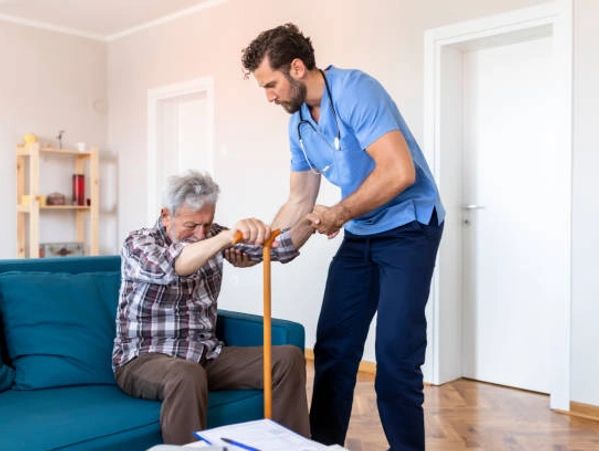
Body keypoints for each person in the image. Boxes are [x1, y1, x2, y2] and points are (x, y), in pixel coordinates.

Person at [242, 24, 445, 451]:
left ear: (297, 67)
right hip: (362, 230)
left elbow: (398, 171)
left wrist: (340, 212)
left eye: (272, 84)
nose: (269, 96)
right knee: (334, 345)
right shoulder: (298, 122)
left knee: (395, 354)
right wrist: (266, 247)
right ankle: (324, 446)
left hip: (409, 227)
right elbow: (300, 199)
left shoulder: (355, 90)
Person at [112, 170, 313, 445]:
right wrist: (223, 238)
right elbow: (175, 267)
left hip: (205, 354)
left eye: (207, 224)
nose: (200, 234)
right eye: (191, 225)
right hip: (143, 359)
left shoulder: (214, 235)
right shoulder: (139, 243)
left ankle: (291, 447)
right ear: (166, 215)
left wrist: (311, 222)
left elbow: (275, 249)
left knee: (287, 358)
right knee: (186, 373)